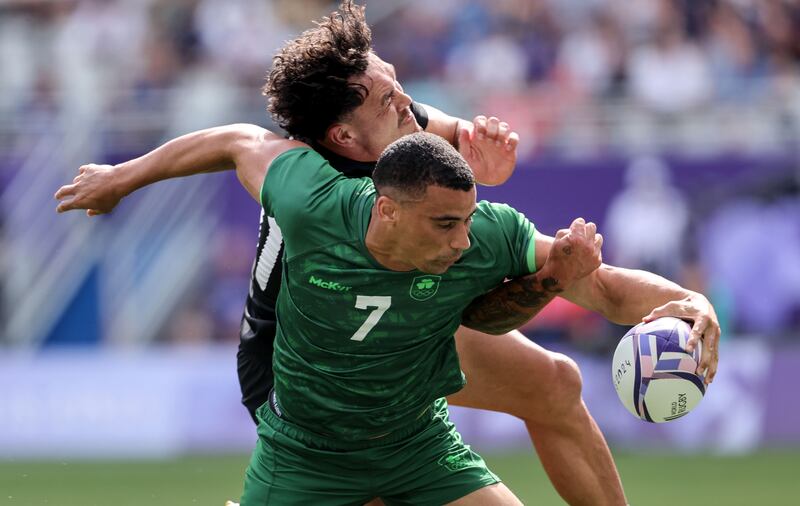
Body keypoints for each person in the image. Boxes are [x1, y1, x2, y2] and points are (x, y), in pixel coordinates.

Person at [55, 2, 720, 504]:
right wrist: (122, 176)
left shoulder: (391, 134)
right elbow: (235, 139)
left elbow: (457, 160)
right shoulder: (311, 184)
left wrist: (686, 302)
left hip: (397, 322)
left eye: (400, 84)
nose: (412, 105)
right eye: (388, 97)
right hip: (301, 353)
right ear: (343, 135)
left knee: (553, 382)